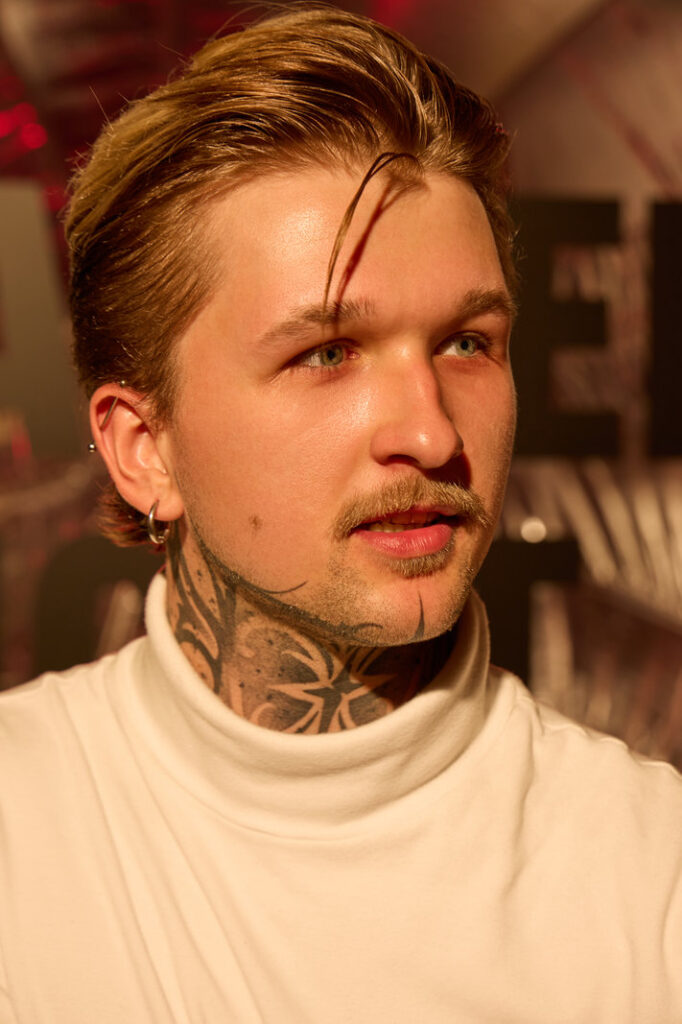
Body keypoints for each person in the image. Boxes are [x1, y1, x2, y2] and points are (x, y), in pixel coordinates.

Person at [1, 5, 681, 1022]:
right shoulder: (21, 835)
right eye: (326, 354)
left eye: (466, 343)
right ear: (145, 450)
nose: (431, 433)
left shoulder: (650, 870)